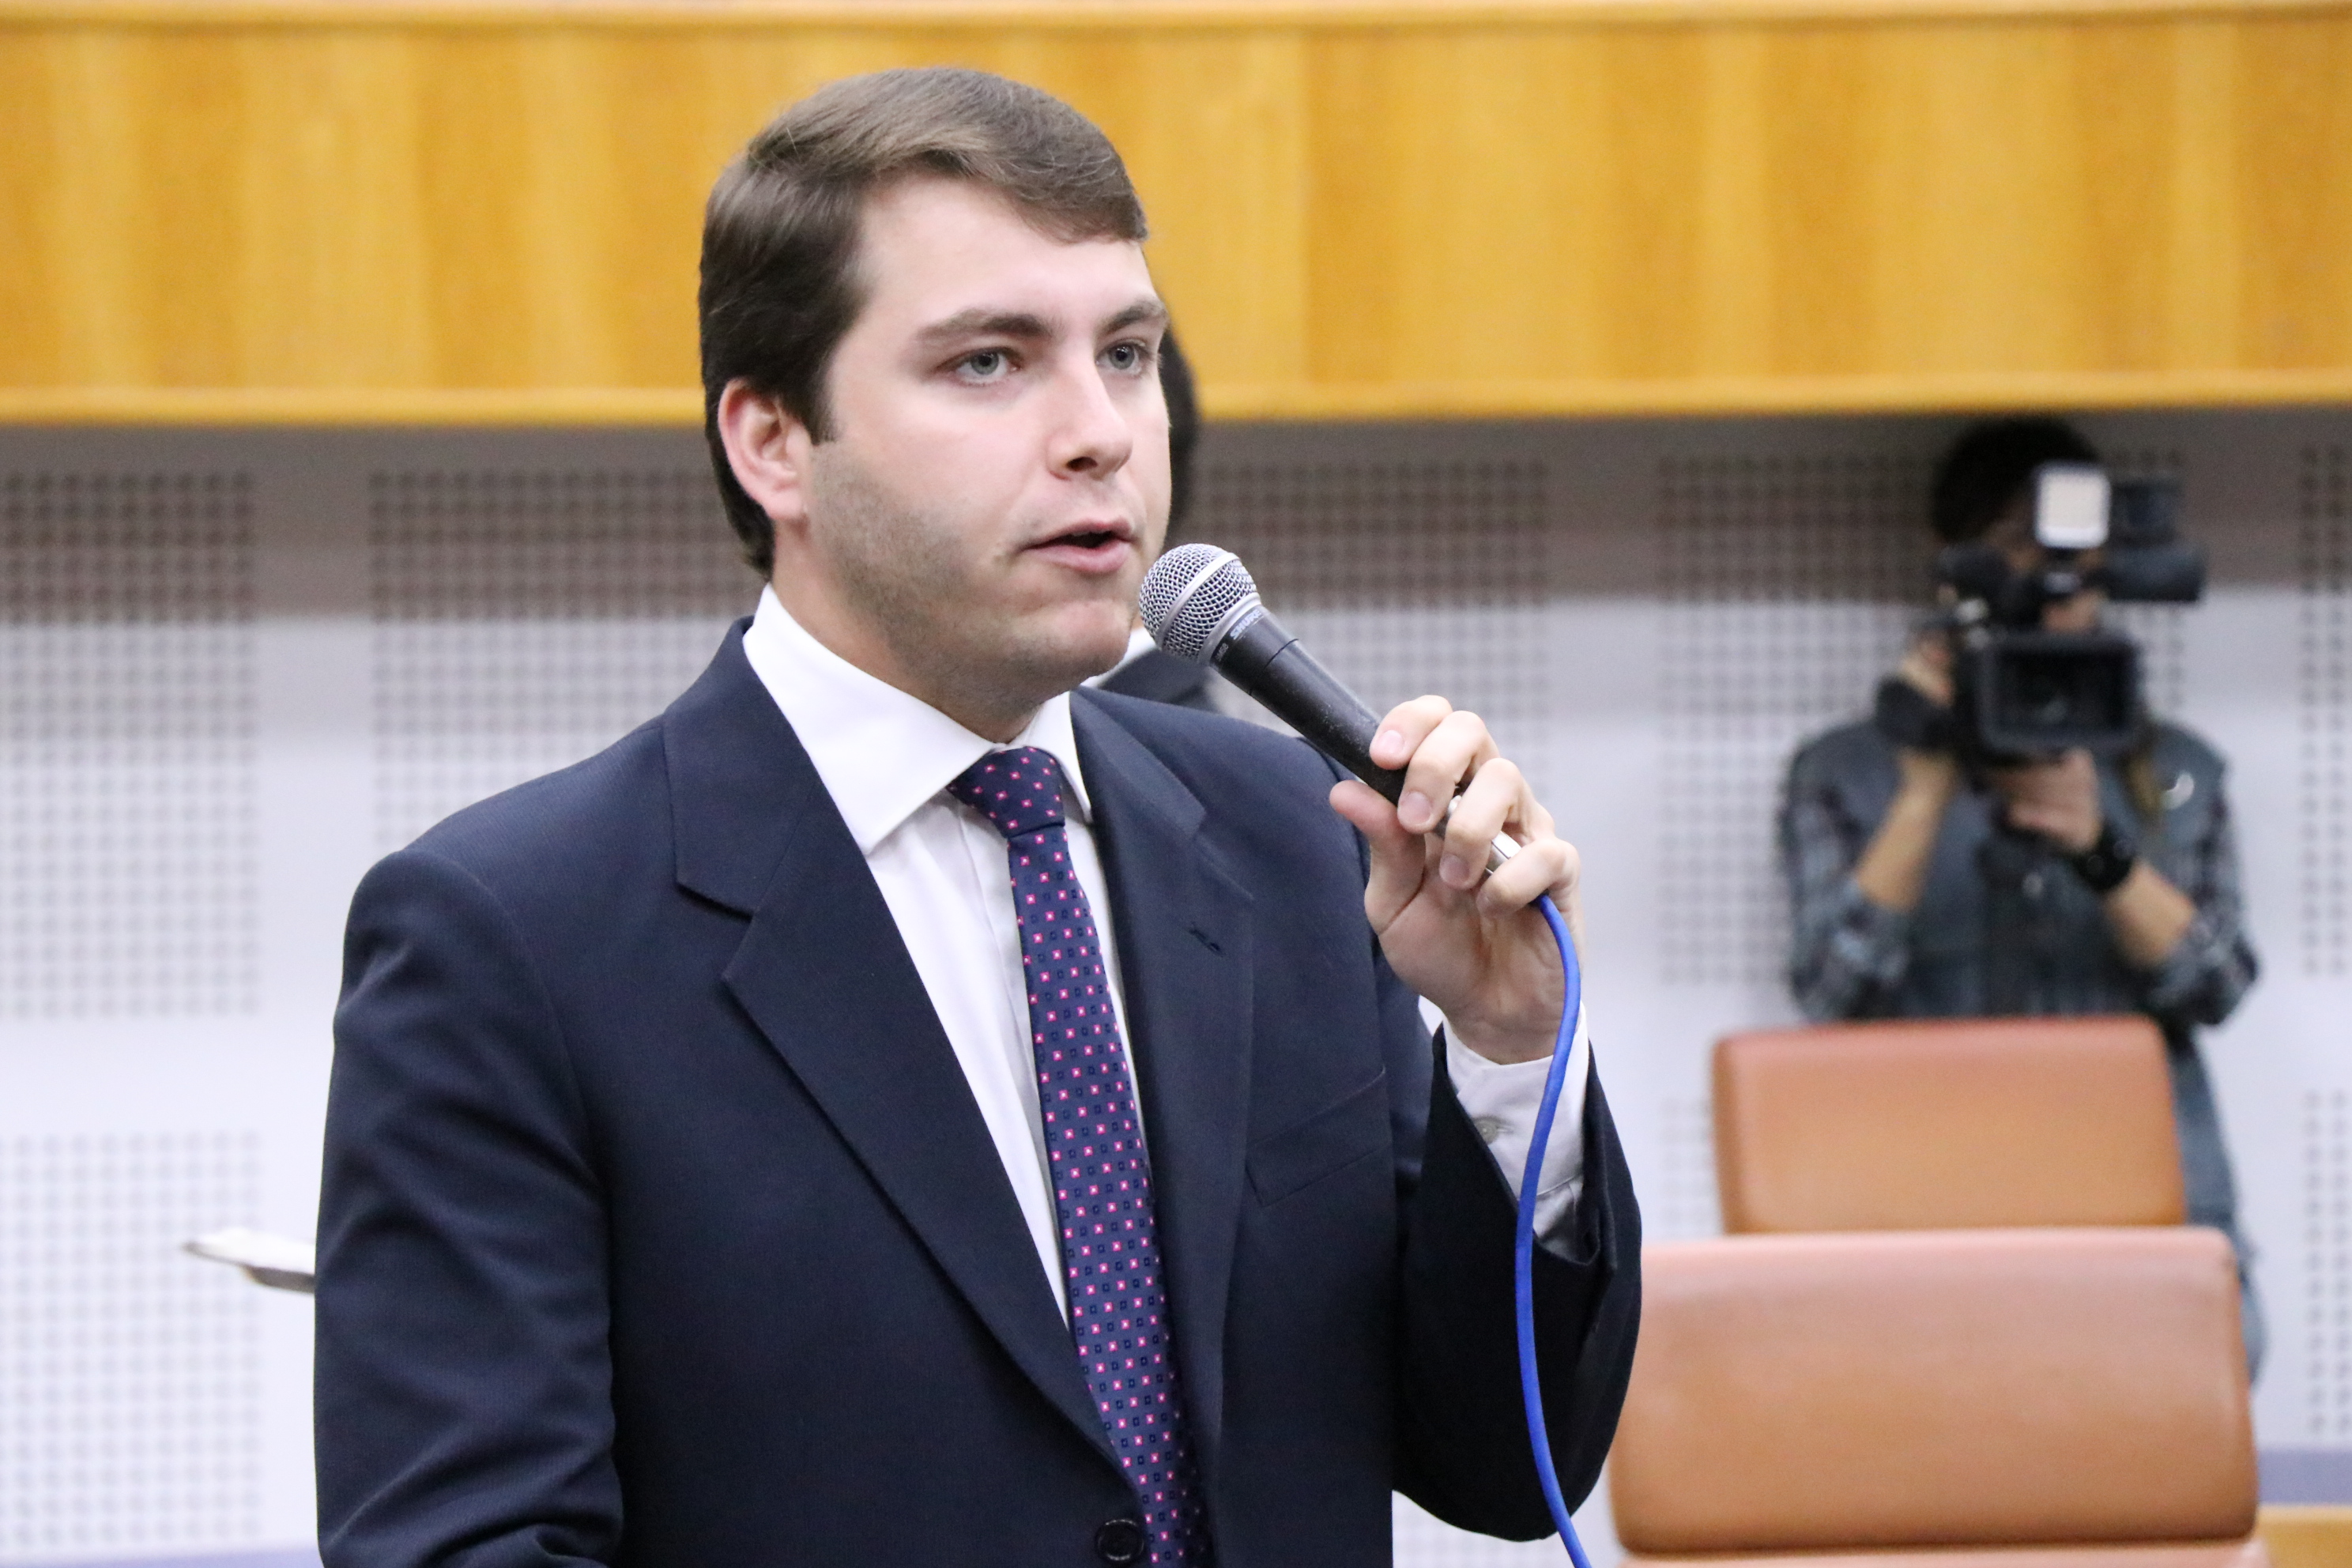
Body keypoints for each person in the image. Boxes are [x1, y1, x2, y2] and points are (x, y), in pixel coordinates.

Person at [315, 66, 1639, 1568]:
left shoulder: (1295, 833)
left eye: (1125, 353)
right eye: (989, 363)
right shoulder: (514, 933)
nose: (1101, 434)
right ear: (772, 442)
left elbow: (1502, 1463)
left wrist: (1512, 1051)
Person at [1779, 416, 2262, 1366]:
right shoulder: (1849, 772)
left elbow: (2218, 985)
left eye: (2072, 559)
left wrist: (2101, 846)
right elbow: (1832, 989)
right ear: (1951, 564)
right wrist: (1925, 787)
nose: (2048, 585)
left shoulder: (2176, 772)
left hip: (2143, 1228)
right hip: (1925, 1219)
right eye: (2014, 548)